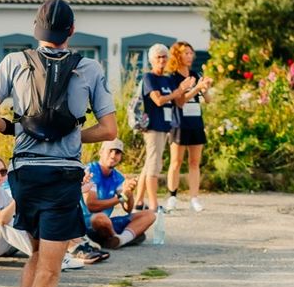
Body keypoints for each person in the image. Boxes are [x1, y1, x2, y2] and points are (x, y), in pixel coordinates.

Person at [0, 0, 117, 287]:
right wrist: (73, 136)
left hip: (23, 175)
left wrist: (18, 131)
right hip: (61, 178)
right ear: (71, 31)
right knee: (52, 267)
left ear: (36, 31)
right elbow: (108, 131)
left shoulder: (13, 62)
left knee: (37, 253)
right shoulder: (89, 68)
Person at [140, 43, 194, 213]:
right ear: (152, 60)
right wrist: (179, 90)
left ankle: (139, 201)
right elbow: (159, 100)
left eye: (164, 56)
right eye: (158, 57)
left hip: (165, 126)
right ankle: (154, 205)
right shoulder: (149, 78)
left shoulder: (168, 79)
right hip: (153, 127)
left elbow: (178, 101)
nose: (162, 60)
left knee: (149, 164)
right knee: (154, 166)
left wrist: (191, 89)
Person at [165, 41, 212, 213]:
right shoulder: (173, 77)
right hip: (179, 123)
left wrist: (205, 88)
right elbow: (179, 101)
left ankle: (194, 198)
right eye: (186, 53)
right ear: (178, 55)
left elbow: (207, 100)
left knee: (194, 162)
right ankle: (172, 196)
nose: (190, 56)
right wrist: (196, 87)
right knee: (176, 162)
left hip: (196, 122)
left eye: (191, 53)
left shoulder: (196, 74)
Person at [85, 139, 154, 248]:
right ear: (101, 152)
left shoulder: (118, 177)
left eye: (117, 152)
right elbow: (91, 205)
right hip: (85, 223)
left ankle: (119, 240)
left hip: (106, 224)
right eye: (110, 151)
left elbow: (128, 208)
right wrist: (121, 197)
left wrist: (129, 192)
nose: (113, 155)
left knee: (150, 214)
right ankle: (120, 237)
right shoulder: (90, 171)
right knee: (100, 218)